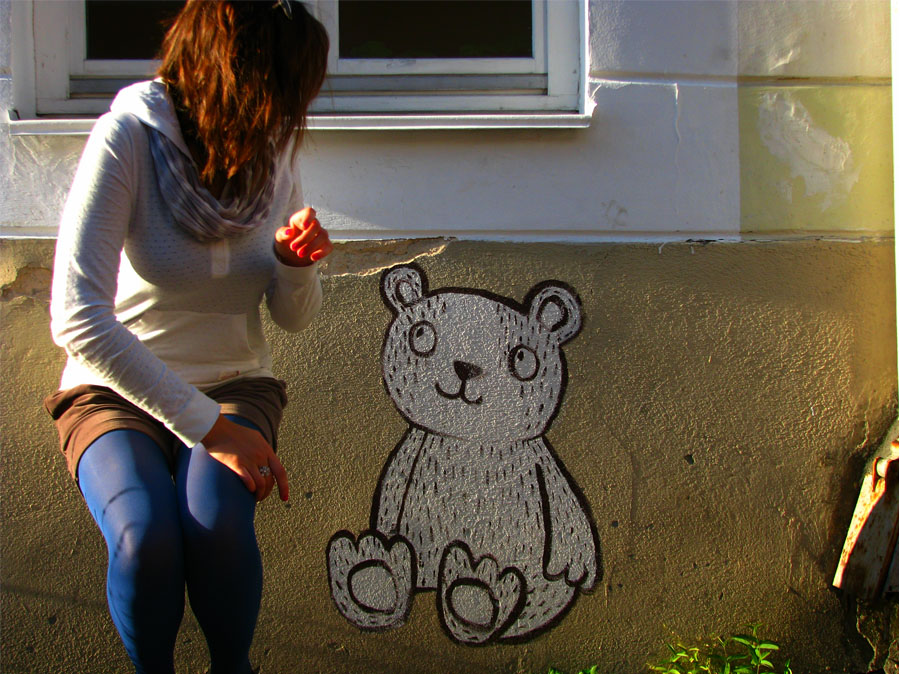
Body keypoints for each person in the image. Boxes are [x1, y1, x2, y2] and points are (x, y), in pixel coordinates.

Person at [43, 2, 330, 672]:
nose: (288, 114)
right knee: (144, 538)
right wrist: (211, 430)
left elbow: (293, 320)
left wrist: (295, 267)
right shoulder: (127, 138)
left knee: (217, 528)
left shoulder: (271, 159)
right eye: (283, 88)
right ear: (237, 75)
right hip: (114, 390)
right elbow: (77, 317)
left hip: (235, 383)